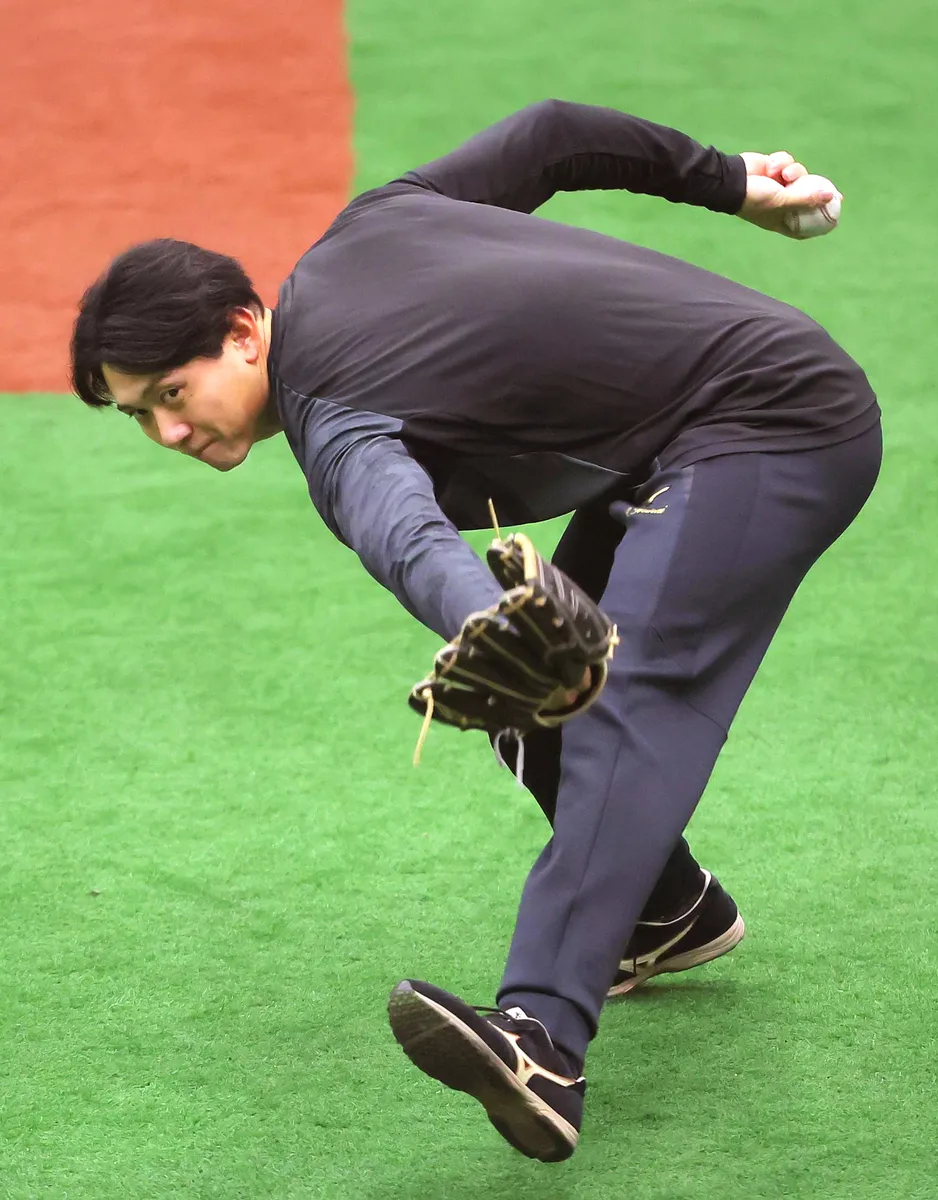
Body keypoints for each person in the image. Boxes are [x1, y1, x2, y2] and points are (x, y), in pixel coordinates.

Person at [70, 100, 882, 1163]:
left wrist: (503, 624)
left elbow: (404, 535)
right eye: (140, 413)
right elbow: (551, 135)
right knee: (534, 714)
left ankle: (541, 1038)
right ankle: (667, 912)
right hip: (680, 438)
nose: (170, 431)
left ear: (241, 331)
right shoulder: (372, 223)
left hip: (773, 424)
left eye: (173, 393)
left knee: (621, 702)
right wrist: (730, 181)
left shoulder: (332, 420)